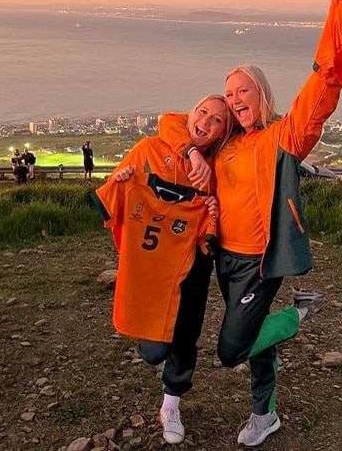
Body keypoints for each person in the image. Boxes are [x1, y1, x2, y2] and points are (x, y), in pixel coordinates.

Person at [159, 0, 342, 447]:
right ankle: (263, 415)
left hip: (258, 264)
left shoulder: (280, 137)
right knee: (255, 341)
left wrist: (332, 49)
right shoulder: (225, 141)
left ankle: (298, 312)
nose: (233, 100)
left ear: (260, 92)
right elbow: (171, 122)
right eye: (228, 94)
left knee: (232, 349)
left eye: (241, 91)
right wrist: (194, 149)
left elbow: (319, 98)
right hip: (223, 260)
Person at [91, 95, 236, 445]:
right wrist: (121, 181)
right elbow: (110, 199)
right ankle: (157, 349)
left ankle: (171, 403)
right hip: (153, 263)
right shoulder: (150, 148)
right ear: (191, 114)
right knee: (154, 351)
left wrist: (214, 207)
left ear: (222, 132)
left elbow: (228, 210)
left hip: (194, 263)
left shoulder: (220, 168)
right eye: (202, 112)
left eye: (217, 120)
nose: (206, 122)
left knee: (186, 337)